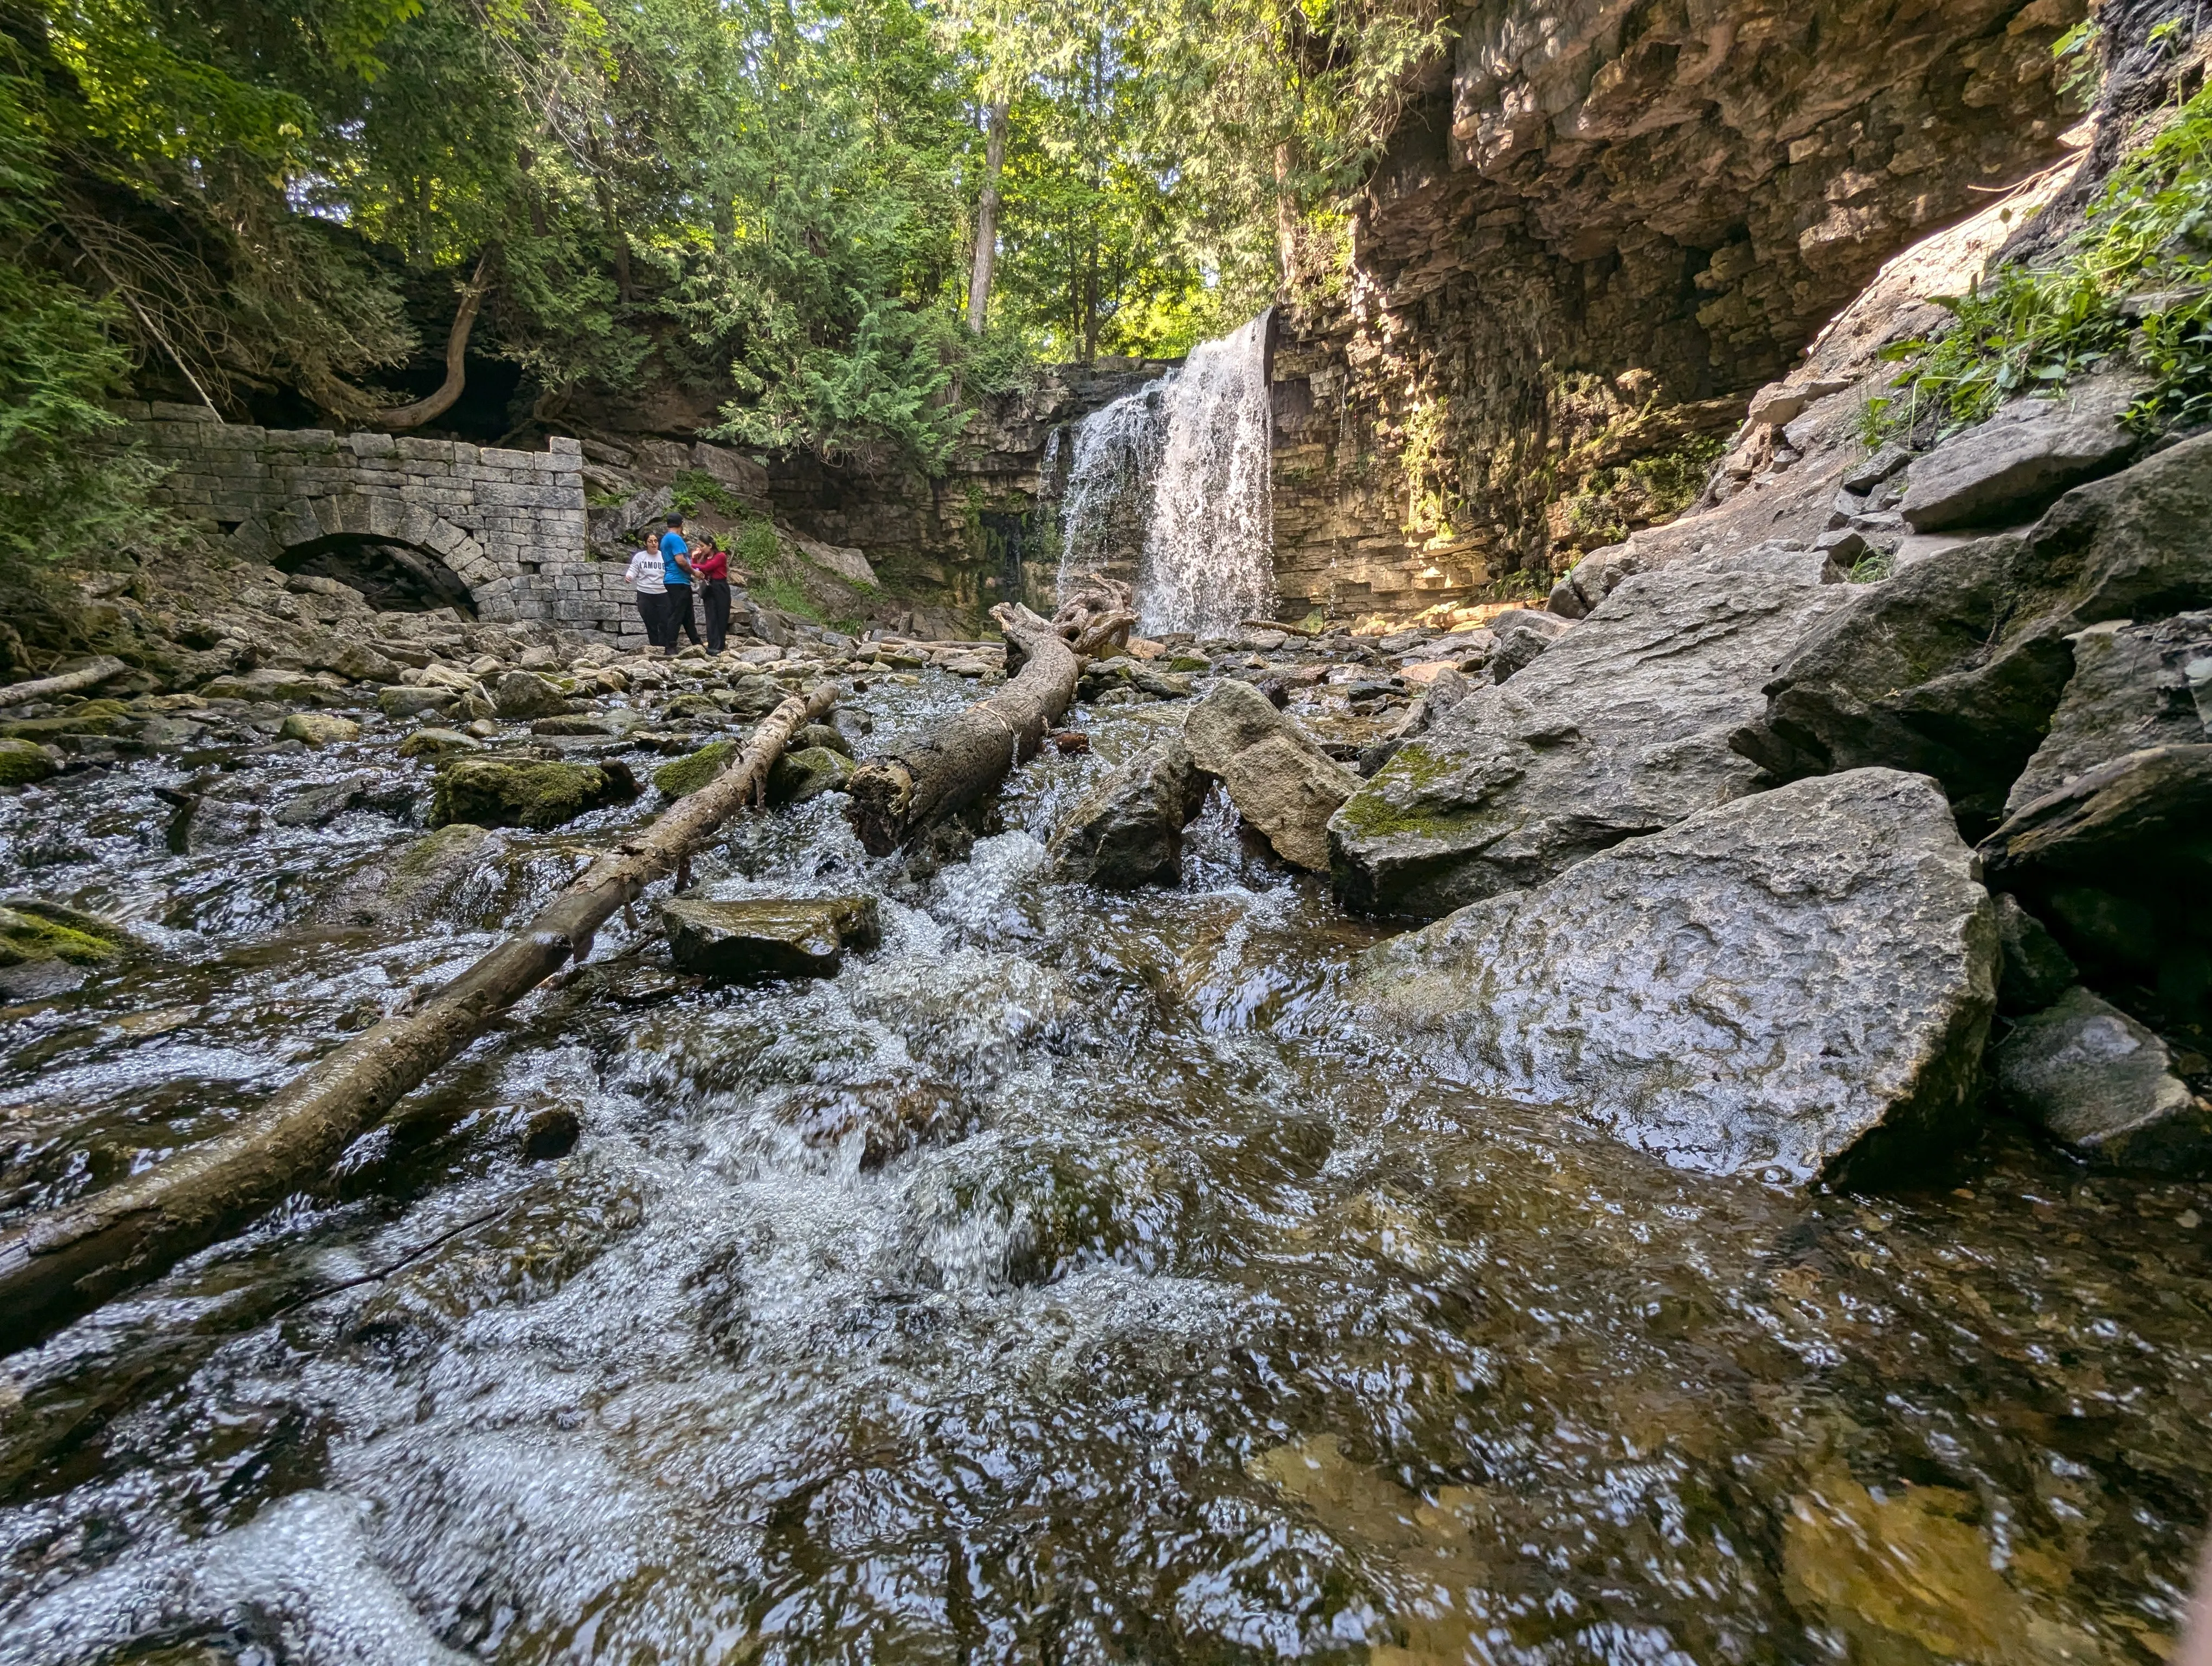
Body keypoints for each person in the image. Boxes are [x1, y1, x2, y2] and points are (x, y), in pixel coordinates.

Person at [659, 514, 700, 653]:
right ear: (681, 524)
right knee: (676, 615)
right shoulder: (675, 539)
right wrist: (694, 572)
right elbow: (681, 560)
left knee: (688, 615)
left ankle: (697, 644)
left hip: (677, 581)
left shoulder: (665, 539)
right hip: (677, 581)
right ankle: (670, 647)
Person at [623, 531, 667, 649]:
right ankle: (655, 646)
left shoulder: (664, 556)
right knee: (650, 621)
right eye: (650, 541)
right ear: (646, 543)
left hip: (662, 593)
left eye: (656, 541)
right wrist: (629, 576)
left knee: (664, 621)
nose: (654, 544)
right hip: (645, 593)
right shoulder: (640, 557)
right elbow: (633, 569)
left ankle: (664, 646)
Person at [691, 534, 734, 653]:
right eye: (699, 546)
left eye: (702, 546)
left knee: (721, 616)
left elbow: (707, 568)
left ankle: (719, 645)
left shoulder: (720, 556)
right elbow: (698, 569)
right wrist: (694, 559)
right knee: (711, 616)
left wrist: (689, 565)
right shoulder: (703, 557)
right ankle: (712, 645)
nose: (701, 548)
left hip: (720, 587)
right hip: (709, 587)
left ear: (710, 546)